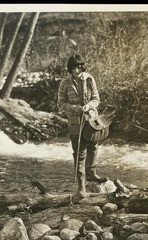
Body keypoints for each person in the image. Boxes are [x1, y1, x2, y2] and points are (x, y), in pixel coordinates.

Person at [57, 54, 107, 198]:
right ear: (70, 69)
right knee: (79, 153)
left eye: (79, 67)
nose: (76, 71)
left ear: (82, 67)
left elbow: (96, 99)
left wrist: (89, 106)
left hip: (92, 121)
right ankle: (81, 186)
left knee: (93, 147)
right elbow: (60, 104)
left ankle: (92, 174)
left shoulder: (90, 79)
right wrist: (75, 108)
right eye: (73, 68)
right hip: (75, 124)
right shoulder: (65, 83)